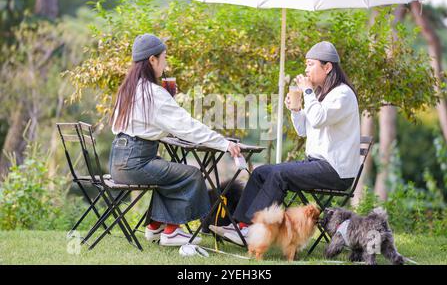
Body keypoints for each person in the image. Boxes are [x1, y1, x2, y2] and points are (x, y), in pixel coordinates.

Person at [210, 41, 360, 245]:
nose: (306, 70)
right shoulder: (321, 95)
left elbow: (317, 118)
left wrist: (307, 92)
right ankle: (240, 226)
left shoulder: (342, 94)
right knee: (261, 172)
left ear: (327, 67)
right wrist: (296, 110)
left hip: (335, 171)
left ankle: (253, 230)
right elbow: (304, 129)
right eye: (306, 65)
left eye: (310, 64)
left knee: (279, 174)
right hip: (316, 163)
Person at [109, 34, 241, 246]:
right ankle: (172, 231)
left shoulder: (128, 89)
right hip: (136, 162)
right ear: (152, 60)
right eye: (164, 57)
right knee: (190, 174)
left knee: (170, 172)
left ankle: (156, 226)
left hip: (117, 162)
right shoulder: (153, 93)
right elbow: (188, 127)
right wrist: (224, 143)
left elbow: (143, 125)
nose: (165, 63)